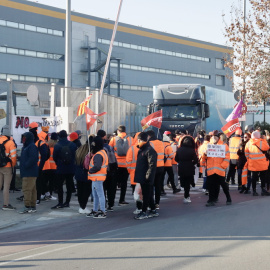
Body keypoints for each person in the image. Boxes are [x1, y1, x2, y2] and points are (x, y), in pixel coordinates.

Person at [202, 130, 232, 206]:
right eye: (213, 136)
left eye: (216, 137)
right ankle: (211, 200)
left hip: (220, 170)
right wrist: (204, 154)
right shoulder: (208, 145)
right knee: (211, 185)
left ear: (219, 137)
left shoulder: (224, 146)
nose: (214, 138)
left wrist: (223, 166)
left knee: (223, 185)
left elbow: (227, 157)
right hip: (211, 170)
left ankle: (228, 198)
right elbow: (204, 157)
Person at [134, 132, 158, 220]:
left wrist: (148, 176)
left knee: (146, 194)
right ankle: (153, 210)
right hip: (143, 175)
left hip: (146, 177)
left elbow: (152, 165)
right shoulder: (143, 149)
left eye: (138, 140)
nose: (137, 141)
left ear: (140, 140)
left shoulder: (149, 150)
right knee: (148, 194)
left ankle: (144, 212)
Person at [51, 130, 77, 209]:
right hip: (70, 168)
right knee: (69, 186)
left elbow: (54, 157)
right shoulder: (72, 144)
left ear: (59, 136)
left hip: (60, 168)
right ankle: (67, 202)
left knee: (60, 186)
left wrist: (59, 163)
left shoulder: (57, 145)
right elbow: (75, 156)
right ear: (66, 136)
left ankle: (60, 202)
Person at [109, 125, 133, 205]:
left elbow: (109, 150)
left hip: (116, 165)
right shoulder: (130, 139)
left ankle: (111, 202)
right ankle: (122, 199)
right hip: (126, 165)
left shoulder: (113, 139)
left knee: (114, 183)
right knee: (124, 183)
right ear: (125, 131)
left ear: (118, 131)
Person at [87, 136, 108, 218]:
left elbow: (97, 166)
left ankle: (102, 211)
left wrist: (89, 171)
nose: (92, 145)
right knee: (96, 195)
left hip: (97, 177)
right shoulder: (102, 152)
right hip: (97, 178)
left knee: (99, 195)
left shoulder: (98, 154)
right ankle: (95, 210)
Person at [97, 129, 118, 212]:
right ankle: (111, 204)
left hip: (101, 171)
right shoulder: (108, 147)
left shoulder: (97, 147)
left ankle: (103, 204)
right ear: (104, 136)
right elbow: (113, 159)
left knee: (102, 189)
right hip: (110, 170)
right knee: (111, 188)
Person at [245, 130, 270, 196]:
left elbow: (246, 153)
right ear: (259, 136)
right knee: (263, 177)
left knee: (254, 177)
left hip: (253, 163)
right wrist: (264, 140)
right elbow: (267, 147)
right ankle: (263, 190)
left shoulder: (248, 143)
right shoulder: (262, 142)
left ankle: (254, 191)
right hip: (262, 163)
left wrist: (249, 159)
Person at [19, 132, 39, 213]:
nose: (23, 139)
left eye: (25, 137)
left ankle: (27, 206)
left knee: (26, 189)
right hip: (29, 171)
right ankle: (32, 206)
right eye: (23, 137)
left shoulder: (31, 146)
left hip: (29, 172)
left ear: (28, 138)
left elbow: (33, 158)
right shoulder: (27, 146)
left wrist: (25, 165)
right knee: (32, 190)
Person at [29, 122, 48, 204]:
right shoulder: (32, 143)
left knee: (38, 183)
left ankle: (37, 198)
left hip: (37, 167)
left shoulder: (40, 142)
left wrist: (40, 167)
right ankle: (34, 198)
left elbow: (45, 155)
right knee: (34, 183)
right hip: (34, 166)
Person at [175, 136, 198, 203]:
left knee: (182, 179)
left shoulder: (179, 149)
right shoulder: (192, 150)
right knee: (188, 183)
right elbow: (196, 160)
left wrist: (180, 162)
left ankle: (182, 186)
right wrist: (192, 163)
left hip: (181, 166)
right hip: (189, 166)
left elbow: (176, 159)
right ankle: (186, 196)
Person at [146, 130, 164, 209]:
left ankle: (151, 203)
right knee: (158, 185)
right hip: (161, 167)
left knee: (150, 185)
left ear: (149, 136)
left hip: (152, 167)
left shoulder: (150, 143)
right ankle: (157, 203)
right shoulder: (161, 143)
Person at [0, 125, 17, 210]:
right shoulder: (11, 142)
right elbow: (13, 157)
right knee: (6, 186)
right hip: (7, 167)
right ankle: (6, 205)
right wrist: (12, 165)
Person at [75, 136, 92, 214]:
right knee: (86, 191)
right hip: (86, 174)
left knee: (80, 190)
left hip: (78, 173)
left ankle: (81, 206)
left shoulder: (79, 149)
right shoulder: (89, 151)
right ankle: (83, 206)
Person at [41, 132, 58, 201]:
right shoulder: (56, 146)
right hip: (54, 167)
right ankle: (49, 195)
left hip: (46, 166)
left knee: (44, 181)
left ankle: (43, 193)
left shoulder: (47, 144)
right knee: (51, 182)